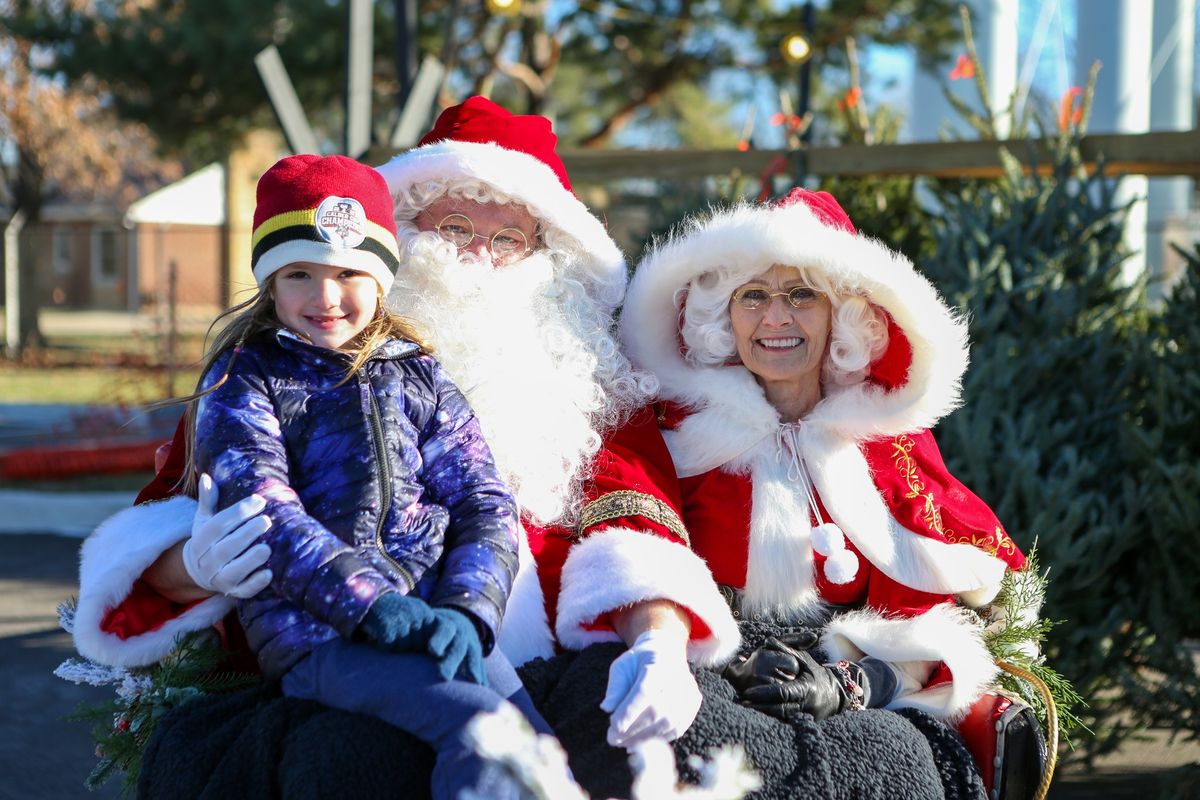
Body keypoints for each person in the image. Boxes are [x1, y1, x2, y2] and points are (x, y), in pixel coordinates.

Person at [72, 96, 731, 755]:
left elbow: (638, 532)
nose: (479, 258)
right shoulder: (272, 376)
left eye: (508, 240)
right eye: (453, 229)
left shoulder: (596, 388)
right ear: (402, 238)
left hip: (544, 673)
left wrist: (659, 642)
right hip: (332, 666)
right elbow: (163, 544)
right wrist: (191, 566)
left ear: (547, 259)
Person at [170, 152, 542, 800]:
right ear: (269, 282)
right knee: (484, 730)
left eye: (348, 272)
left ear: (381, 276)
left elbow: (484, 499)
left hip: (435, 620)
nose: (325, 296)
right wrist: (376, 607)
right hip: (324, 635)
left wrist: (468, 610)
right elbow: (265, 510)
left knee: (539, 748)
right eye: (299, 274)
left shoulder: (419, 374)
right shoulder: (246, 378)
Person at [592, 186, 1031, 722]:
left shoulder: (885, 447)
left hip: (845, 684)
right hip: (705, 665)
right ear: (723, 315)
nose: (774, 318)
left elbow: (923, 608)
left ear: (840, 316)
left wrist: (847, 684)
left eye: (801, 295)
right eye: (752, 295)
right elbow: (636, 548)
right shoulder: (670, 431)